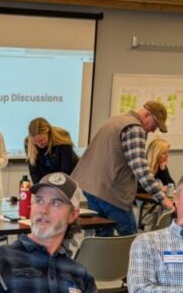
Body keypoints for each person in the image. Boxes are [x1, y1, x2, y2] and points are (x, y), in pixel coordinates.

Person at [72, 101, 174, 235]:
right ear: (147, 115)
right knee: (130, 237)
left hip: (91, 187)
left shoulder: (116, 120)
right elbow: (141, 169)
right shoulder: (134, 128)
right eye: (155, 124)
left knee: (102, 235)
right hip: (111, 193)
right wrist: (162, 198)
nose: (154, 130)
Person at [25, 117, 78, 183]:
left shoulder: (62, 138)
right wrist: (38, 187)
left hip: (70, 176)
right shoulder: (28, 142)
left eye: (42, 140)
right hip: (47, 178)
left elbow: (66, 170)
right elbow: (34, 172)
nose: (39, 144)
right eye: (35, 142)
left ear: (49, 133)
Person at [138, 138, 175, 230]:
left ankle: (159, 229)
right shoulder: (143, 166)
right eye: (164, 153)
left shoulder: (160, 166)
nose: (167, 156)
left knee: (166, 208)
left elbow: (171, 184)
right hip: (139, 201)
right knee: (161, 207)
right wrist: (158, 188)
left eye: (168, 153)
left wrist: (163, 169)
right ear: (156, 153)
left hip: (152, 200)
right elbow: (137, 187)